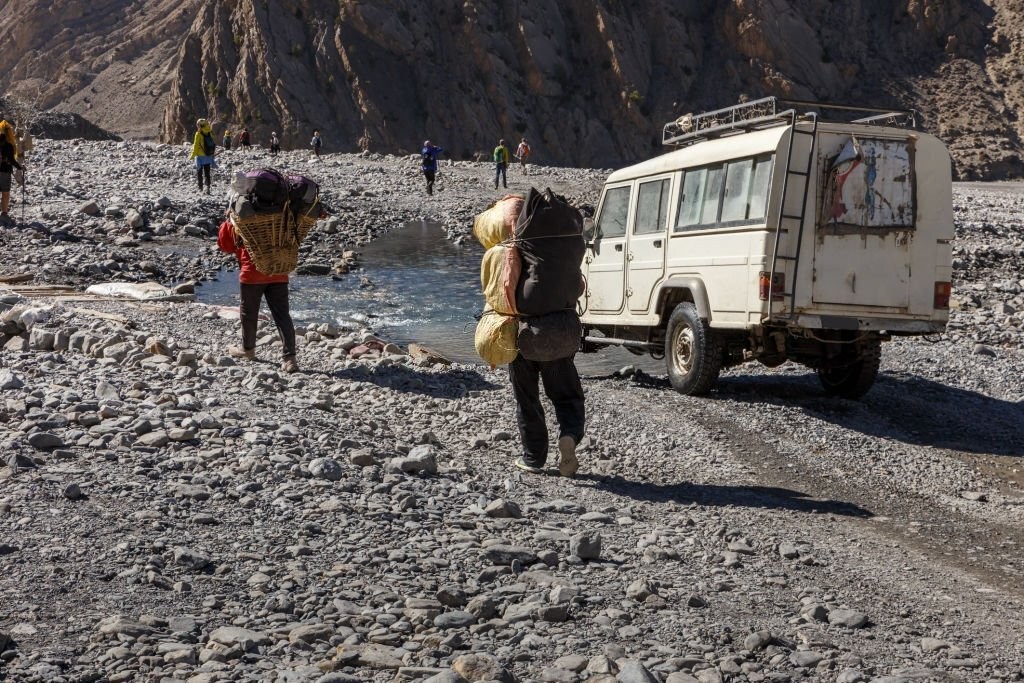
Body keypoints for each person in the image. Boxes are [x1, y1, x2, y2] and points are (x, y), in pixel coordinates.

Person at [217, 219, 298, 373]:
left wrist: (229, 220)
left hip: (252, 274)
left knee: (249, 313)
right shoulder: (279, 213)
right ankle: (290, 359)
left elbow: (225, 245)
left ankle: (248, 350)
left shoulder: (241, 215)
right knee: (282, 315)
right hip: (278, 270)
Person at [0, 120, 24, 227]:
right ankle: (4, 213)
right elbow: (12, 160)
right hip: (5, 171)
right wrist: (20, 167)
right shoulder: (9, 145)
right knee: (5, 193)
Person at [189, 118, 217, 194]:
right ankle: (208, 188)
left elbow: (196, 146)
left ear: (200, 125)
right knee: (207, 173)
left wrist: (192, 156)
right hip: (208, 155)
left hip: (200, 157)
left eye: (197, 125)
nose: (197, 126)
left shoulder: (198, 134)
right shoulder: (209, 132)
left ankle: (200, 187)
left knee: (199, 172)